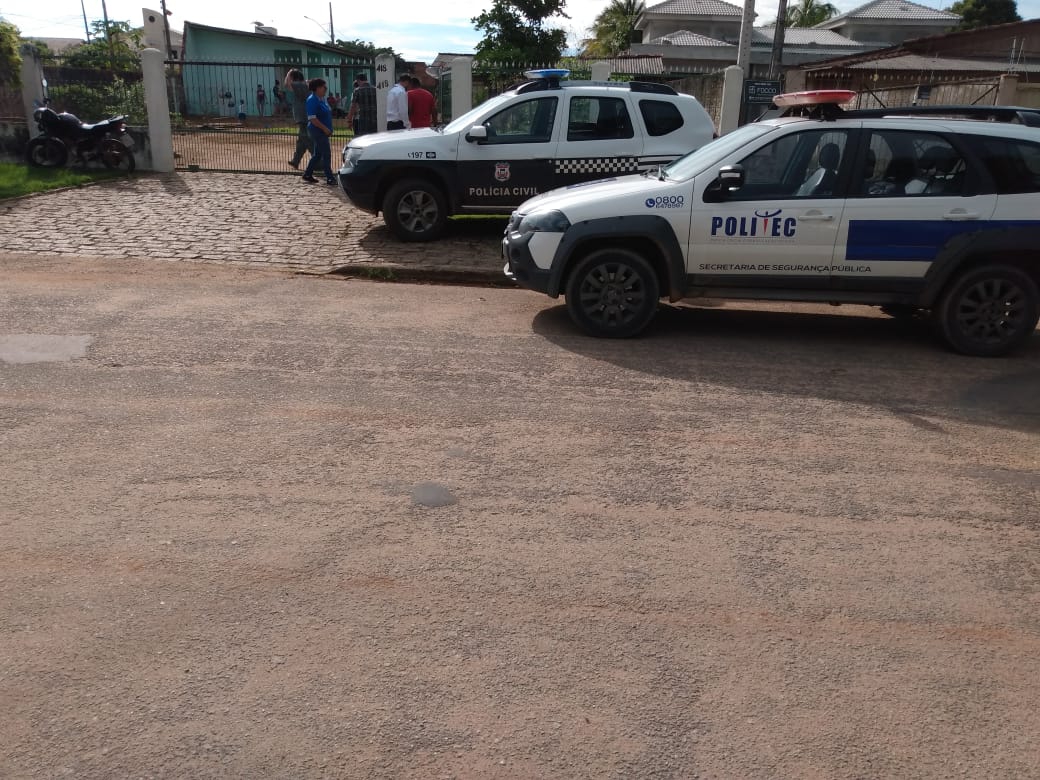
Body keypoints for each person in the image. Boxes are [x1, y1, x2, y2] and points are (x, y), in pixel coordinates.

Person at [301, 77, 337, 185]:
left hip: (322, 131)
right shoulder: (312, 100)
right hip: (318, 131)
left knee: (318, 154)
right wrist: (325, 129)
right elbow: (312, 119)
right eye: (323, 87)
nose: (325, 88)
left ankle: (307, 174)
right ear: (317, 88)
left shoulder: (321, 99)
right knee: (326, 154)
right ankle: (330, 177)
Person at [286, 69, 311, 170]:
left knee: (307, 139)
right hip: (307, 115)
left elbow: (287, 84)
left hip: (302, 116)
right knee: (301, 141)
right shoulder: (305, 84)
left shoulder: (298, 84)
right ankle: (295, 161)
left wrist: (289, 72)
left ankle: (319, 161)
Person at [345, 72, 377, 137]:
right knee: (373, 138)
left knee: (363, 138)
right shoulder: (375, 89)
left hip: (363, 120)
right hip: (374, 119)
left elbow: (353, 106)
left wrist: (349, 120)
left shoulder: (357, 90)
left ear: (358, 80)